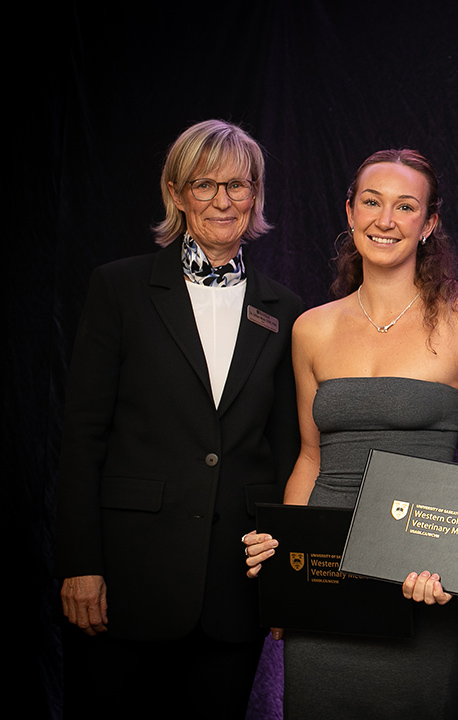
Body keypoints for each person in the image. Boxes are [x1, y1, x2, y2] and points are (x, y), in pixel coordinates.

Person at [54, 119, 304, 718]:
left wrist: (285, 583)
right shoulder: (119, 288)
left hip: (234, 590)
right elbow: (81, 438)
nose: (223, 201)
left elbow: (290, 450)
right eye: (204, 185)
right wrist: (80, 565)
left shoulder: (286, 310)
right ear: (176, 192)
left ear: (256, 195)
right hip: (127, 580)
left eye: (238, 186)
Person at [242, 148, 458, 719]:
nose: (385, 220)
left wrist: (457, 558)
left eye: (406, 207)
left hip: (423, 576)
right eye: (372, 202)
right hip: (325, 576)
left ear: (428, 225)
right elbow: (309, 458)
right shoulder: (311, 328)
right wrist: (284, 579)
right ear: (350, 211)